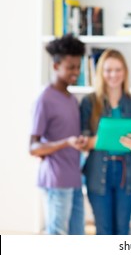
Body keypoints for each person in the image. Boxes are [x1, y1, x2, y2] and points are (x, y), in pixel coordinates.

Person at [80, 49, 131, 235]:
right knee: (104, 231)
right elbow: (83, 141)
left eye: (118, 70)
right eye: (108, 70)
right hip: (97, 172)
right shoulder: (89, 102)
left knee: (122, 230)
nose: (113, 75)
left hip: (126, 174)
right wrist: (101, 140)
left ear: (125, 72)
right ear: (101, 72)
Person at [29, 34, 87, 235]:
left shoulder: (71, 98)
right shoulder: (44, 99)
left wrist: (78, 142)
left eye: (78, 67)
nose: (76, 72)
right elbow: (33, 148)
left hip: (74, 179)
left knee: (77, 236)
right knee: (57, 237)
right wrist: (66, 142)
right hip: (55, 180)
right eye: (71, 67)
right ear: (55, 66)